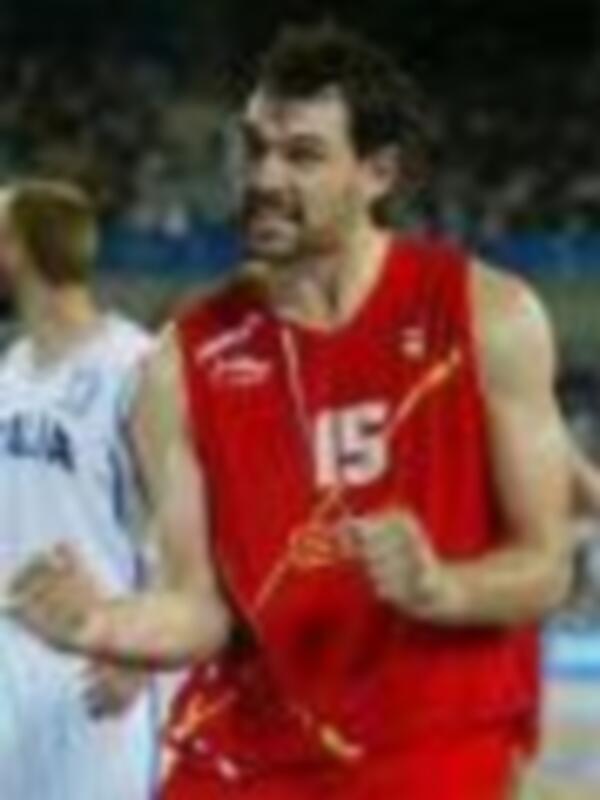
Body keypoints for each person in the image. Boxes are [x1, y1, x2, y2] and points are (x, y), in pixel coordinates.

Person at [9, 26, 572, 800]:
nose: (265, 177)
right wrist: (102, 625)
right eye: (253, 149)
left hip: (427, 745)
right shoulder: (181, 361)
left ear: (377, 173)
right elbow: (200, 608)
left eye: (302, 155)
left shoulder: (489, 316)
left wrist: (443, 588)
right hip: (244, 749)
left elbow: (545, 565)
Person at [0, 179, 159, 800]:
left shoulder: (136, 365)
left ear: (19, 248)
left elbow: (189, 526)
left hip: (97, 673)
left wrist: (141, 648)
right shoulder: (9, 371)